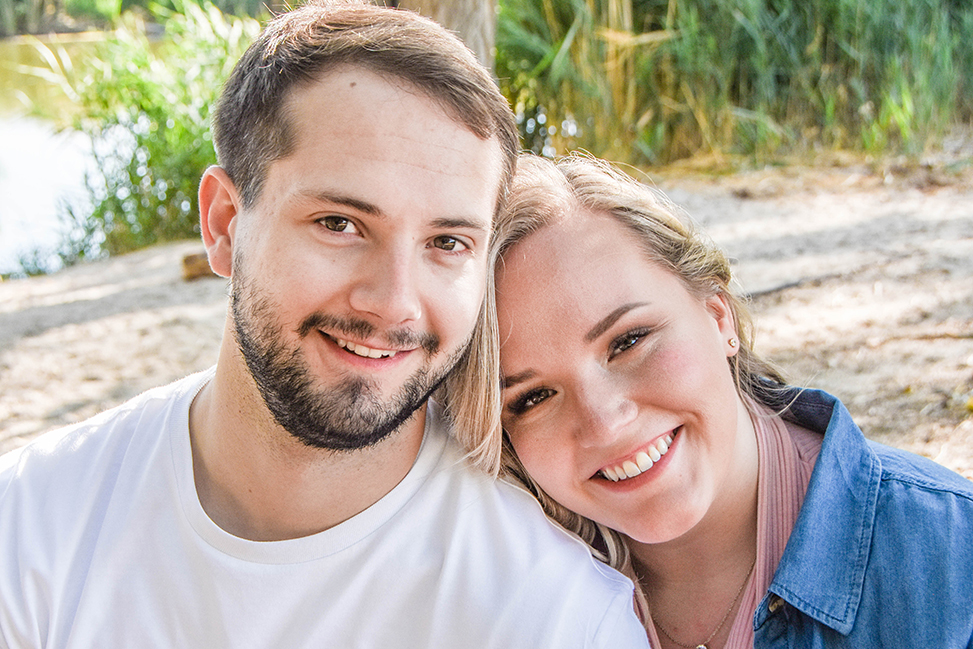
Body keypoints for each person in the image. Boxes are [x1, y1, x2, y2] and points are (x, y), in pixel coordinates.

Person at [0, 6, 650, 647]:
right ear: (224, 225)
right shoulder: (30, 528)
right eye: (340, 224)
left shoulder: (554, 616)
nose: (393, 303)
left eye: (447, 242)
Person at [493, 152, 973, 648]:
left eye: (629, 341)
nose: (605, 424)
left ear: (718, 315)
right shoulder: (502, 604)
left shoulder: (953, 556)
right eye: (533, 398)